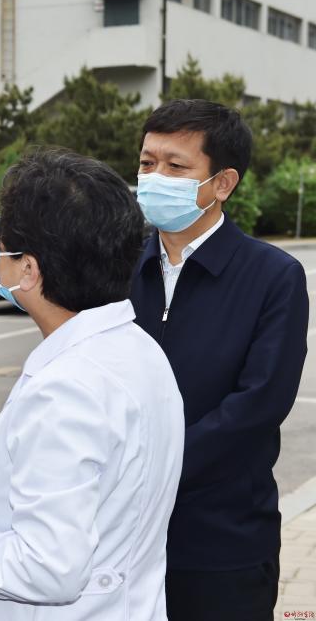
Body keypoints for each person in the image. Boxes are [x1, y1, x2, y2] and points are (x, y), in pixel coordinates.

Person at [0, 149, 185, 621]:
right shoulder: (139, 351)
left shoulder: (66, 389)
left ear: (28, 269)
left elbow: (50, 569)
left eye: (3, 247)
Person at [130, 99, 308, 621]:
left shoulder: (272, 277)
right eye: (147, 163)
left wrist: (149, 468)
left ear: (223, 183)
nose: (155, 178)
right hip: (120, 539)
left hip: (221, 546)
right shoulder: (118, 269)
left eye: (175, 166)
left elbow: (257, 405)